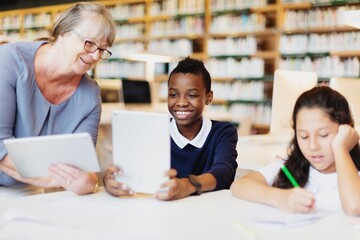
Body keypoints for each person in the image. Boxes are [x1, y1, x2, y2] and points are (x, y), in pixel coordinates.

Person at [0, 2, 116, 195]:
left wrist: (88, 181)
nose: (95, 55)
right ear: (62, 34)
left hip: (27, 189)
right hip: (35, 183)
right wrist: (56, 179)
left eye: (102, 50)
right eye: (89, 43)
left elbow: (81, 164)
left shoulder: (90, 95)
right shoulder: (8, 60)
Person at [104, 57, 238, 200]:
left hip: (207, 211)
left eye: (192, 95)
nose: (181, 102)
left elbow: (224, 172)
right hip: (162, 209)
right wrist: (110, 180)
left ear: (208, 97)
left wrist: (187, 185)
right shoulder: (154, 130)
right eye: (173, 95)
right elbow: (131, 172)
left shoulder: (223, 132)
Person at [230, 85, 360, 215]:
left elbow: (355, 206)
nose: (313, 146)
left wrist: (341, 149)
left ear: (346, 130)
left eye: (323, 135)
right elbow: (239, 186)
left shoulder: (354, 175)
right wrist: (281, 198)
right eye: (303, 136)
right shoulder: (289, 169)